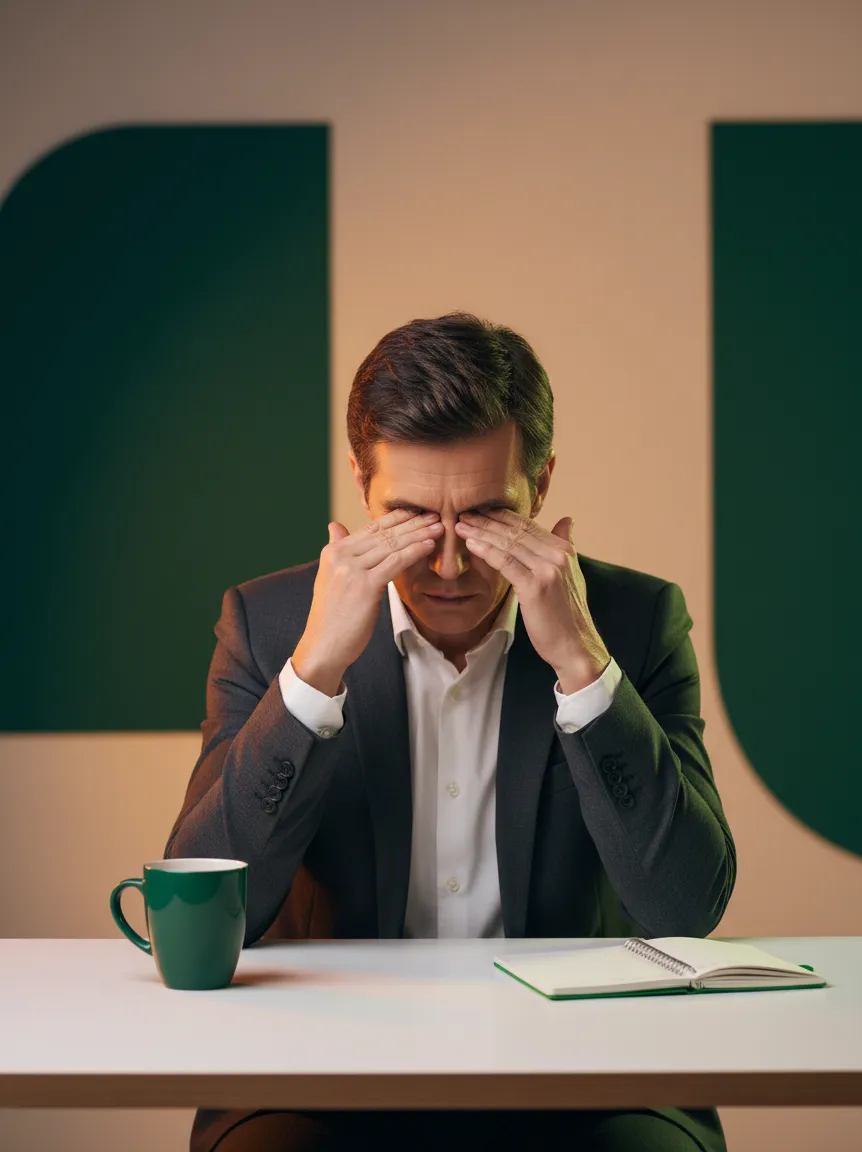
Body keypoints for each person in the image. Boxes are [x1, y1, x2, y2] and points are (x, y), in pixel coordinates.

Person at [166, 312, 736, 1152]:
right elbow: (211, 916)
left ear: (541, 486)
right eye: (411, 519)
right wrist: (313, 673)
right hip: (325, 1071)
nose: (446, 566)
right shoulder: (269, 621)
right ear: (361, 483)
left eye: (482, 518)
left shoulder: (636, 621)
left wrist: (582, 664)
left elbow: (687, 906)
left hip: (586, 1071)